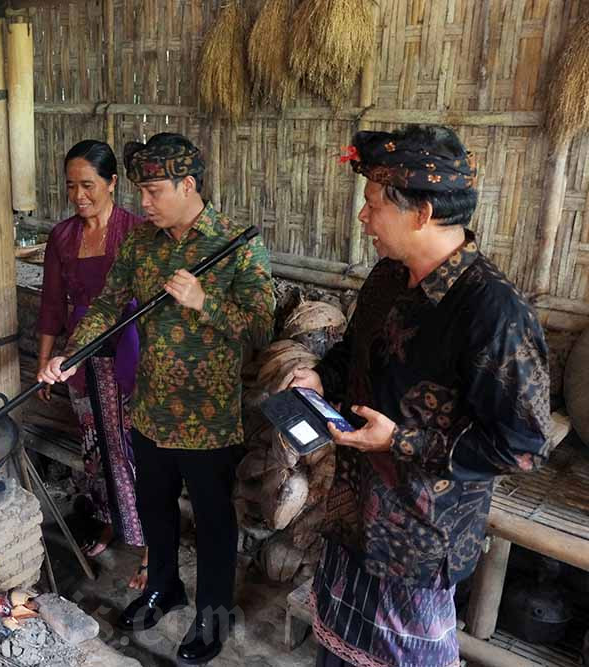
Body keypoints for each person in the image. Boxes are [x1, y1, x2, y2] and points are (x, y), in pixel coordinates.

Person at [289, 125, 553, 667]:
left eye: (372, 205)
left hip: (418, 539)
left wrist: (401, 440)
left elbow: (523, 446)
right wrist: (321, 379)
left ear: (422, 212)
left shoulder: (493, 312)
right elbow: (352, 355)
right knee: (335, 655)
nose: (363, 218)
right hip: (353, 512)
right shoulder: (387, 277)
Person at [39, 132, 275, 664]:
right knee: (155, 508)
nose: (142, 203)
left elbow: (261, 327)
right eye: (140, 191)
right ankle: (163, 586)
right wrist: (72, 355)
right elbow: (104, 304)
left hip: (207, 419)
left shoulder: (235, 243)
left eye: (152, 191)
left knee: (214, 520)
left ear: (187, 185)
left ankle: (213, 614)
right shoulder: (142, 243)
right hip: (148, 407)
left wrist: (203, 300)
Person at [36, 140, 147, 589]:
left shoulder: (136, 231)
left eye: (88, 185)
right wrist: (44, 362)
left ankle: (148, 546)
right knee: (95, 448)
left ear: (112, 182)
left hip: (129, 354)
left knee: (133, 451)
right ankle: (107, 523)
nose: (79, 195)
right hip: (80, 357)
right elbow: (49, 305)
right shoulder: (62, 237)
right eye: (71, 186)